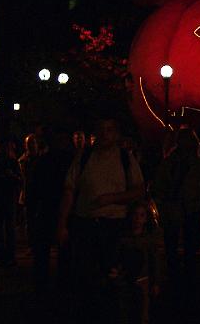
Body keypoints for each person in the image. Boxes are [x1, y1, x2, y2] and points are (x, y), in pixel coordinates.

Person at [57, 117, 145, 323]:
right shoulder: (85, 156)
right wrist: (62, 224)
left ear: (116, 134)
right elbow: (69, 190)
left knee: (112, 277)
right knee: (85, 277)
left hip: (113, 225)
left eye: (110, 130)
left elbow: (139, 189)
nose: (106, 134)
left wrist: (112, 198)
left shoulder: (124, 158)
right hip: (86, 224)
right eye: (102, 129)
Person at [151, 127, 200, 285]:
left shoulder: (189, 163)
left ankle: (182, 270)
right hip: (178, 207)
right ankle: (182, 271)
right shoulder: (179, 162)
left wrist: (195, 196)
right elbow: (159, 184)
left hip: (185, 207)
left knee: (181, 242)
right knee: (179, 242)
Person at [31, 129, 74, 295]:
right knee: (63, 252)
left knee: (44, 252)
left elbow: (34, 190)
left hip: (48, 208)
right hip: (59, 208)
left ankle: (43, 286)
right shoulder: (70, 161)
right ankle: (61, 285)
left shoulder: (44, 161)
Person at [108, 200, 162, 324]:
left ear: (146, 219)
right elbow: (117, 258)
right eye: (135, 214)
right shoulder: (123, 238)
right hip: (125, 279)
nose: (138, 219)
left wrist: (156, 282)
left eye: (141, 215)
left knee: (143, 311)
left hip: (142, 280)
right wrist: (115, 273)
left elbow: (154, 261)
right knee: (124, 311)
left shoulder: (148, 240)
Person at [0, 139, 22, 267]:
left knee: (8, 228)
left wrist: (11, 176)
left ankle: (8, 256)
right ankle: (4, 256)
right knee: (2, 228)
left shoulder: (12, 162)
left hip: (7, 199)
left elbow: (19, 180)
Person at [18, 133, 40, 251]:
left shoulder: (41, 159)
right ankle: (32, 245)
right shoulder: (23, 161)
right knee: (30, 221)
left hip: (40, 194)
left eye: (32, 143)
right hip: (29, 193)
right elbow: (23, 179)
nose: (31, 146)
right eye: (28, 143)